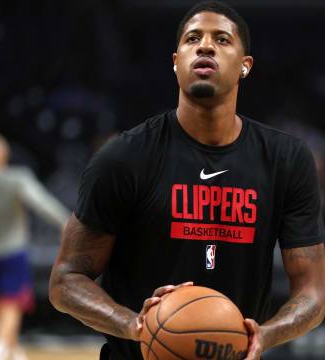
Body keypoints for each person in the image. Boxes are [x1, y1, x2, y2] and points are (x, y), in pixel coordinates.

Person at [49, 1, 325, 359]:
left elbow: (314, 294)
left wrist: (265, 336)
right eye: (193, 38)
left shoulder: (287, 160)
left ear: (245, 66)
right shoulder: (125, 157)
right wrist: (133, 325)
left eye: (222, 39)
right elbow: (65, 281)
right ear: (176, 61)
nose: (205, 46)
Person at [0, 133, 71, 360]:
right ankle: (4, 347)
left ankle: (4, 348)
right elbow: (44, 204)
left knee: (0, 304)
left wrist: (64, 222)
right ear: (6, 153)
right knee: (9, 303)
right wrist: (66, 223)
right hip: (12, 251)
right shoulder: (18, 178)